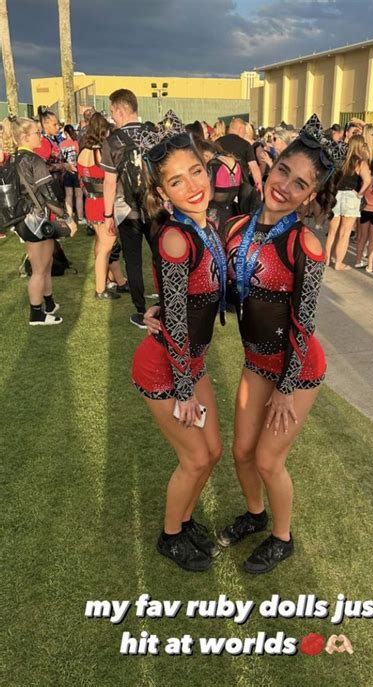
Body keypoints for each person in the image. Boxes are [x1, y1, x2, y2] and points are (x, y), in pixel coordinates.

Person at [216, 113, 340, 574]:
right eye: (284, 170)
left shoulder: (305, 244)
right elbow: (224, 296)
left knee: (268, 459)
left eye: (301, 184)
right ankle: (255, 514)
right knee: (241, 452)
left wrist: (286, 389)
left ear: (310, 196)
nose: (286, 185)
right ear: (270, 164)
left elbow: (304, 324)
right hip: (256, 361)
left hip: (297, 368)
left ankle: (282, 538)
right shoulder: (236, 229)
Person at [132, 115, 226, 571]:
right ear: (162, 193)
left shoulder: (205, 227)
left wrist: (160, 310)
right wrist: (185, 392)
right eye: (175, 180)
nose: (191, 185)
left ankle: (185, 519)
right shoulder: (174, 237)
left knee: (213, 452)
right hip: (166, 367)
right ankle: (170, 536)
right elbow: (176, 308)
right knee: (193, 457)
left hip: (192, 360)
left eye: (196, 172)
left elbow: (180, 299)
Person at [1, 116, 76, 324]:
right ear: (24, 136)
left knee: (47, 262)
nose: (40, 137)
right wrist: (67, 217)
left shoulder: (13, 158)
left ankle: (49, 302)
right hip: (35, 220)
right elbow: (48, 194)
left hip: (25, 219)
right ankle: (36, 313)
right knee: (39, 269)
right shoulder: (33, 160)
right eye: (36, 133)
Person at [101, 89, 152, 328]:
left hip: (125, 209)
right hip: (156, 207)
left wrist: (108, 214)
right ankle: (169, 305)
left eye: (113, 112)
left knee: (133, 261)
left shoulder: (112, 141)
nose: (112, 117)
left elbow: (110, 181)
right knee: (164, 256)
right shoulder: (154, 133)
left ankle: (142, 312)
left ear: (121, 110)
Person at [77, 112, 128, 300]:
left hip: (90, 201)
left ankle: (106, 280)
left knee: (100, 244)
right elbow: (110, 181)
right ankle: (101, 289)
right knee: (107, 247)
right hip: (103, 203)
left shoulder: (83, 152)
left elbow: (81, 179)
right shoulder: (101, 153)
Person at [325, 134, 371, 270]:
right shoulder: (360, 162)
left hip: (337, 194)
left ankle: (327, 259)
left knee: (332, 232)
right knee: (345, 233)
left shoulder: (340, 159)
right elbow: (367, 181)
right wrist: (360, 193)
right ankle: (338, 263)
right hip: (351, 195)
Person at [197, 139, 243, 238]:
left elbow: (209, 196)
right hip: (232, 211)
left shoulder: (213, 164)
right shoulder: (235, 162)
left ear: (204, 155)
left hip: (214, 213)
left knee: (215, 243)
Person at [217, 118, 263, 196]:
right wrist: (260, 189)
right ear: (241, 129)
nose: (244, 134)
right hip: (241, 188)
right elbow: (254, 168)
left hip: (220, 188)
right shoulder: (246, 145)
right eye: (244, 131)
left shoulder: (217, 142)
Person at [60, 124, 85, 224]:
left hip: (67, 172)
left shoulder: (61, 144)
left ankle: (69, 217)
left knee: (68, 195)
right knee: (79, 195)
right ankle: (80, 217)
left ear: (66, 133)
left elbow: (61, 158)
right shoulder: (77, 143)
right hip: (76, 171)